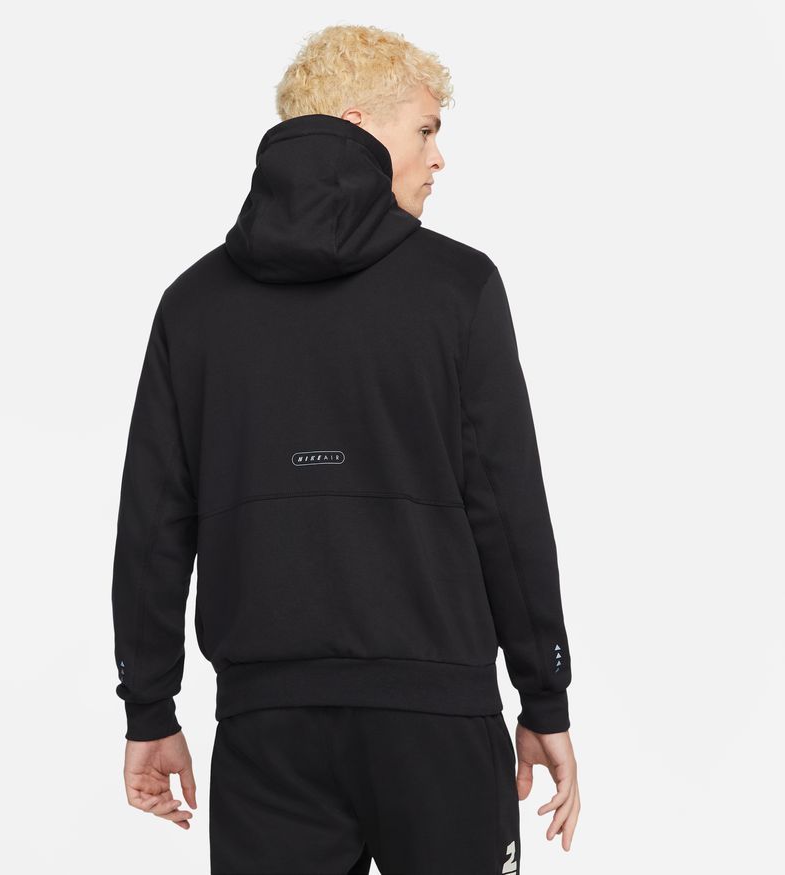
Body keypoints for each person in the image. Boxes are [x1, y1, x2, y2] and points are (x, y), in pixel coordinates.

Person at [111, 23, 580, 874]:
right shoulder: (458, 287)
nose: (439, 158)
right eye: (425, 130)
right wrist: (543, 694)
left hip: (266, 732)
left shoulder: (194, 303)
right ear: (358, 126)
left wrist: (150, 707)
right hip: (436, 721)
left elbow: (154, 524)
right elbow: (505, 508)